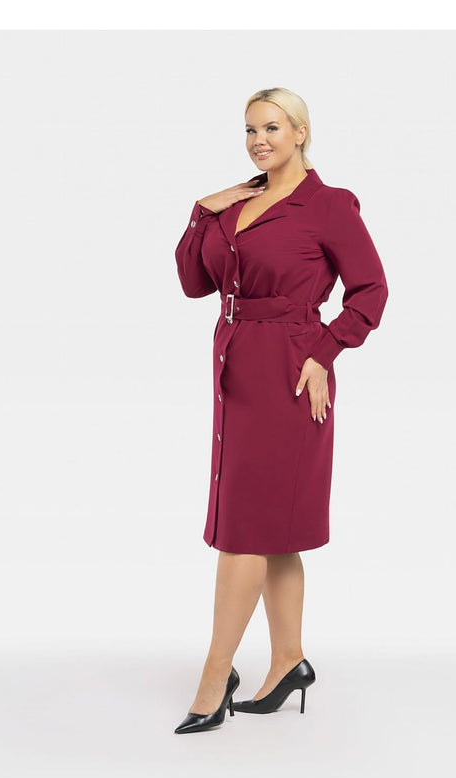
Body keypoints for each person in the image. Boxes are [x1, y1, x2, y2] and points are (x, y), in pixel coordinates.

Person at [173, 87, 389, 734]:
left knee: (246, 526)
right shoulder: (235, 206)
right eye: (249, 130)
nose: (258, 140)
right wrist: (201, 213)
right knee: (272, 527)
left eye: (271, 127)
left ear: (300, 132)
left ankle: (216, 674)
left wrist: (324, 353)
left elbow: (370, 291)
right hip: (237, 365)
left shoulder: (328, 205)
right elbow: (193, 283)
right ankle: (289, 660)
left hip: (292, 372)